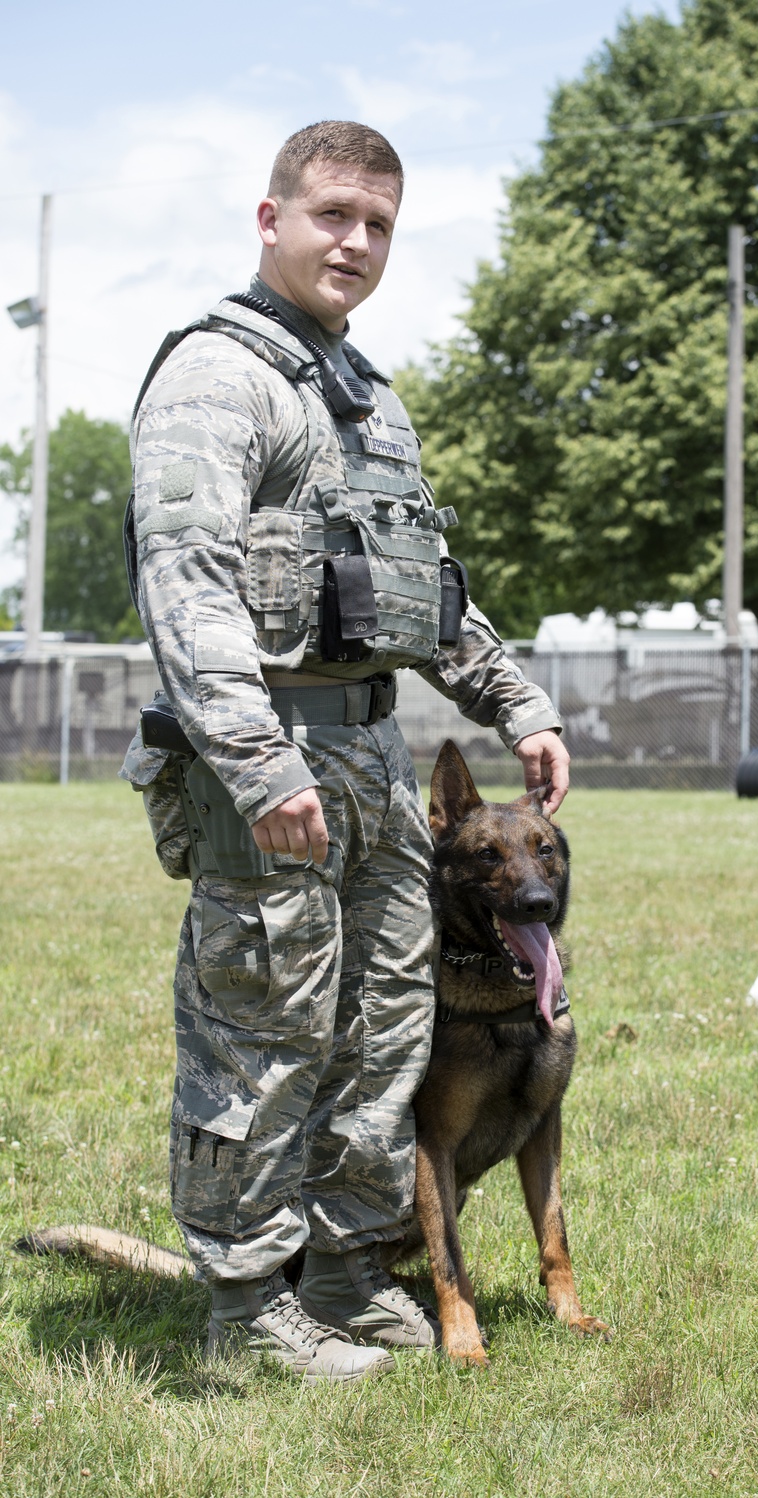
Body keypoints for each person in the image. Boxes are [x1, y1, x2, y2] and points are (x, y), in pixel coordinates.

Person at [120, 120, 568, 1384]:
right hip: (268, 768)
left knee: (381, 1031)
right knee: (264, 1036)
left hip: (375, 762)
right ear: (272, 219)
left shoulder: (367, 395)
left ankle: (348, 1273)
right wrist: (259, 768)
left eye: (377, 223)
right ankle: (246, 1313)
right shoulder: (219, 378)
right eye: (332, 215)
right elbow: (189, 590)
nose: (355, 242)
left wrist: (516, 702)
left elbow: (421, 595)